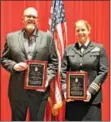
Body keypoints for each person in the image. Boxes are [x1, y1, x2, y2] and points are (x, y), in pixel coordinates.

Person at [1, 7, 58, 121]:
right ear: (23, 19)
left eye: (34, 17)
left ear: (37, 20)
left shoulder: (48, 37)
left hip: (39, 93)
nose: (31, 19)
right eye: (28, 16)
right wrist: (14, 66)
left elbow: (54, 62)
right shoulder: (11, 37)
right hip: (17, 91)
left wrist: (46, 79)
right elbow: (4, 59)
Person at [61, 20, 108, 121]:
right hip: (73, 100)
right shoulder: (68, 49)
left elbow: (103, 71)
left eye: (83, 29)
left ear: (89, 30)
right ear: (75, 32)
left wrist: (90, 91)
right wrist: (66, 91)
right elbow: (63, 72)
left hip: (92, 100)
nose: (80, 32)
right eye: (78, 30)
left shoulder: (99, 48)